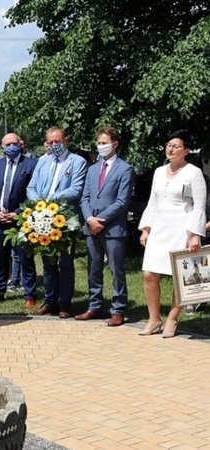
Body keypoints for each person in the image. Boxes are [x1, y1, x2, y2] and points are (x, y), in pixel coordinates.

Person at [138, 130, 206, 338]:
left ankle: (172, 319)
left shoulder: (194, 173)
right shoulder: (159, 171)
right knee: (149, 273)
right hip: (160, 226)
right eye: (169, 145)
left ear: (186, 150)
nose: (171, 149)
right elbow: (153, 201)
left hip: (181, 227)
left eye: (176, 146)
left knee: (180, 276)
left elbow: (199, 206)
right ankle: (154, 318)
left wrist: (194, 234)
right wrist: (146, 228)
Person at [26, 126, 88, 318]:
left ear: (65, 140)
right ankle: (50, 301)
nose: (54, 145)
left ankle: (65, 304)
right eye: (50, 142)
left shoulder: (77, 162)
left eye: (57, 142)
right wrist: (38, 203)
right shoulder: (42, 163)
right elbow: (31, 187)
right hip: (42, 216)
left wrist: (50, 199)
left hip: (65, 218)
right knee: (48, 263)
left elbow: (76, 189)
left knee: (66, 263)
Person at [75, 127, 134, 327]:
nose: (100, 146)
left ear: (115, 144)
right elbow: (85, 197)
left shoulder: (125, 169)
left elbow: (122, 201)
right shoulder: (92, 169)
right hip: (91, 226)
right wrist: (90, 219)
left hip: (113, 228)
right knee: (93, 268)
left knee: (116, 269)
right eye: (99, 143)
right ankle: (95, 305)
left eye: (104, 142)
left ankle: (118, 309)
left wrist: (101, 220)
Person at [0, 133, 38, 308]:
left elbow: (33, 194)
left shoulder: (30, 165)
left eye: (14, 143)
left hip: (21, 221)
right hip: (0, 221)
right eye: (8, 144)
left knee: (25, 258)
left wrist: (18, 212)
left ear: (20, 144)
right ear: (2, 146)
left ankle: (29, 294)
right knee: (1, 259)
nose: (11, 147)